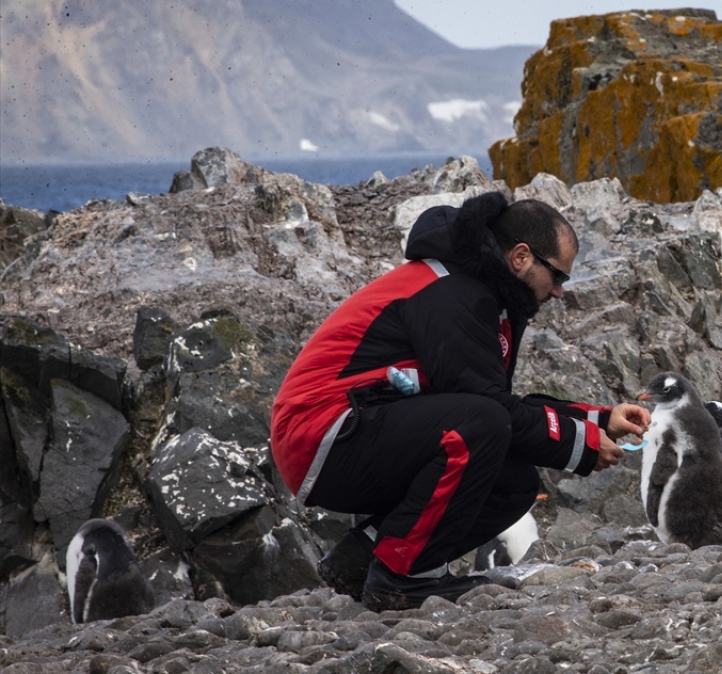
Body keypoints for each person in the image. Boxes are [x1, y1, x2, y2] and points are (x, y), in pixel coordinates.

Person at [269, 191, 650, 611]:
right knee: (479, 425)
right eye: (558, 276)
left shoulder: (483, 292)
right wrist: (580, 443)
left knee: (513, 482)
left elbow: (496, 404)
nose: (559, 292)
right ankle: (405, 578)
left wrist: (596, 421)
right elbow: (485, 409)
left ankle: (363, 558)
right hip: (321, 435)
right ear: (521, 257)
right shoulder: (453, 290)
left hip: (348, 431)